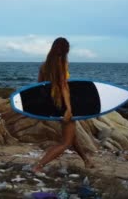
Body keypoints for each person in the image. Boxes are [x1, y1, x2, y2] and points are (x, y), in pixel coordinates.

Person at [32, 37, 94, 173]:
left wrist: (42, 108)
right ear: (66, 49)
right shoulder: (62, 64)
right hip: (64, 105)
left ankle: (87, 160)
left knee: (72, 136)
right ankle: (38, 166)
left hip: (54, 105)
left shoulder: (44, 65)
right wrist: (69, 109)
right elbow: (64, 87)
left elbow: (39, 86)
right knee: (65, 143)